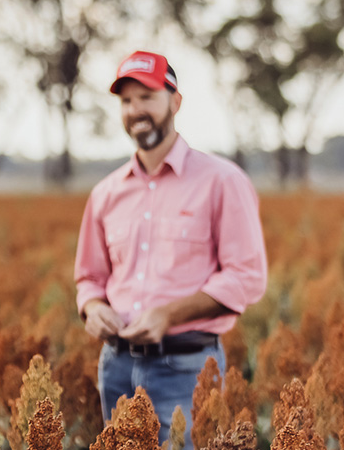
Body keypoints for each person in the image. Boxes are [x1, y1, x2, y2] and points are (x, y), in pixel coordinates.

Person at [75, 51, 267, 449]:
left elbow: (246, 277)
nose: (135, 110)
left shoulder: (222, 181)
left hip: (185, 366)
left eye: (147, 97)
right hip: (116, 365)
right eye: (127, 101)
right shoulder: (106, 193)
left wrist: (168, 314)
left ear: (175, 101)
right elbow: (90, 278)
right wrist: (93, 309)